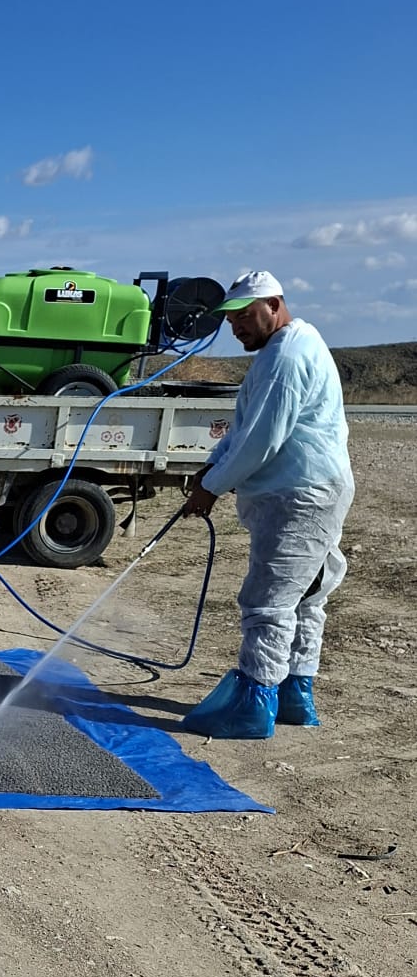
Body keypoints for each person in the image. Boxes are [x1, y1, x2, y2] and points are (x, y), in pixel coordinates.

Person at [180, 270, 354, 738]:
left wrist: (212, 487)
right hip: (308, 490)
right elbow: (244, 429)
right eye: (230, 319)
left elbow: (261, 440)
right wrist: (211, 467)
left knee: (269, 602)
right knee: (304, 598)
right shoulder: (288, 347)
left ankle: (253, 705)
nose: (236, 327)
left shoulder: (286, 357)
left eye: (244, 315)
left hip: (298, 496)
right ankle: (295, 695)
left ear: (273, 305)